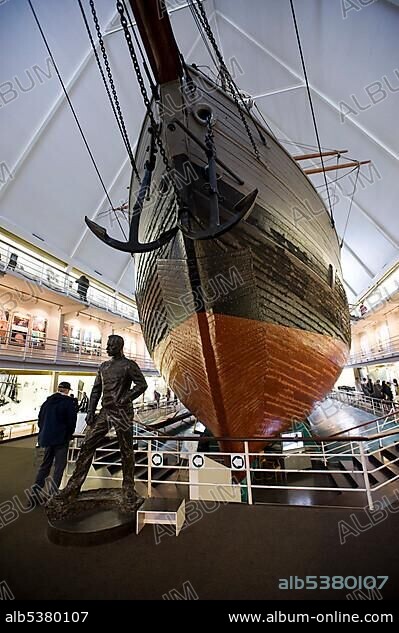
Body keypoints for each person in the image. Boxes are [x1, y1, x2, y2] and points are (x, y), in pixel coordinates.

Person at [56, 335, 147, 509]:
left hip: (122, 412)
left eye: (110, 345)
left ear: (119, 346)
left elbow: (142, 385)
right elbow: (96, 390)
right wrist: (90, 410)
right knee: (87, 445)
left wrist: (125, 398)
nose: (106, 348)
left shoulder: (129, 365)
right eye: (107, 345)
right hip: (105, 412)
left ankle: (128, 486)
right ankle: (73, 487)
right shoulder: (104, 366)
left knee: (126, 449)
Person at [32, 381, 77, 497]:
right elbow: (71, 422)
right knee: (59, 467)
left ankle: (34, 494)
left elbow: (40, 420)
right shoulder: (68, 403)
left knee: (45, 466)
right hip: (61, 440)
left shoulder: (47, 402)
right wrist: (68, 435)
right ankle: (52, 495)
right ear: (67, 390)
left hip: (47, 439)